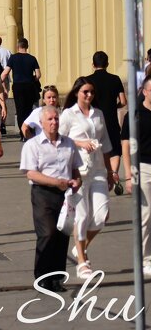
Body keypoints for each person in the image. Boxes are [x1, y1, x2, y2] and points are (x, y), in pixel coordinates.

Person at [20, 105, 84, 293]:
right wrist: (55, 182)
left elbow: (75, 169)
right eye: (50, 119)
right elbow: (31, 174)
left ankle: (57, 278)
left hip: (65, 195)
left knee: (62, 235)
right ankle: (42, 276)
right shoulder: (32, 145)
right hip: (43, 193)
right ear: (41, 123)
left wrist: (77, 181)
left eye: (56, 119)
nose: (54, 122)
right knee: (47, 233)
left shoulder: (69, 143)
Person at [60, 76, 114, 278]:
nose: (89, 95)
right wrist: (79, 143)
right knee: (81, 216)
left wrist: (111, 171)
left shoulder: (98, 114)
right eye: (85, 92)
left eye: (92, 92)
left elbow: (106, 143)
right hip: (78, 171)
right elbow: (60, 140)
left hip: (98, 169)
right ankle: (82, 262)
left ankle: (80, 246)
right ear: (76, 93)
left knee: (101, 215)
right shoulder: (68, 114)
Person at [121, 76, 151, 278]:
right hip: (143, 167)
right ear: (145, 91)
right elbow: (125, 144)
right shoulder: (135, 114)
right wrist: (129, 175)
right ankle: (145, 259)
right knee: (146, 215)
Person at [85, 51, 126, 192]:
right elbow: (123, 101)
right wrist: (115, 106)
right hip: (111, 119)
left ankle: (99, 177)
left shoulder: (87, 81)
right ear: (107, 64)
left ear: (93, 64)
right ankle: (113, 173)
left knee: (96, 148)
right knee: (114, 149)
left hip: (93, 120)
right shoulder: (115, 79)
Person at [8, 38, 42, 133]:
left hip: (18, 86)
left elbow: (5, 72)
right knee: (28, 109)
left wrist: (0, 82)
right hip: (29, 86)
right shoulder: (32, 58)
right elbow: (38, 74)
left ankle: (22, 133)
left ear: (18, 46)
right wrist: (32, 79)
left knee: (20, 110)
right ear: (27, 46)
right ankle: (28, 130)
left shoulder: (13, 58)